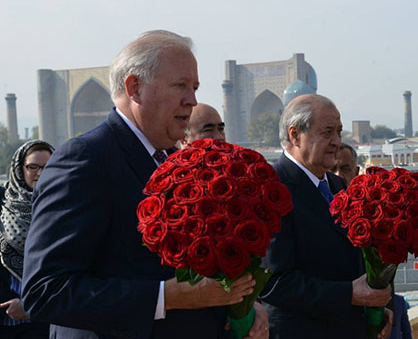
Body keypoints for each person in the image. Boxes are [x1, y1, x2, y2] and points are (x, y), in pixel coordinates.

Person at [21, 30, 267, 339]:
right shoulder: (87, 159)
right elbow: (46, 291)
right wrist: (166, 297)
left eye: (194, 87)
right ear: (134, 88)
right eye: (180, 85)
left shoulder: (174, 161)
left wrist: (245, 306)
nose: (192, 100)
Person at [261, 94, 392, 339]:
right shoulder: (272, 189)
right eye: (327, 132)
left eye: (339, 132)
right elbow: (274, 283)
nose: (336, 141)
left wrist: (373, 306)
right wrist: (348, 294)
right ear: (295, 135)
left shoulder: (337, 185)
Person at [0, 140, 53, 338]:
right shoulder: (3, 207)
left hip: (50, 321)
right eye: (33, 167)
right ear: (19, 169)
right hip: (7, 320)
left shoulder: (65, 208)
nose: (40, 173)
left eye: (47, 167)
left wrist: (31, 305)